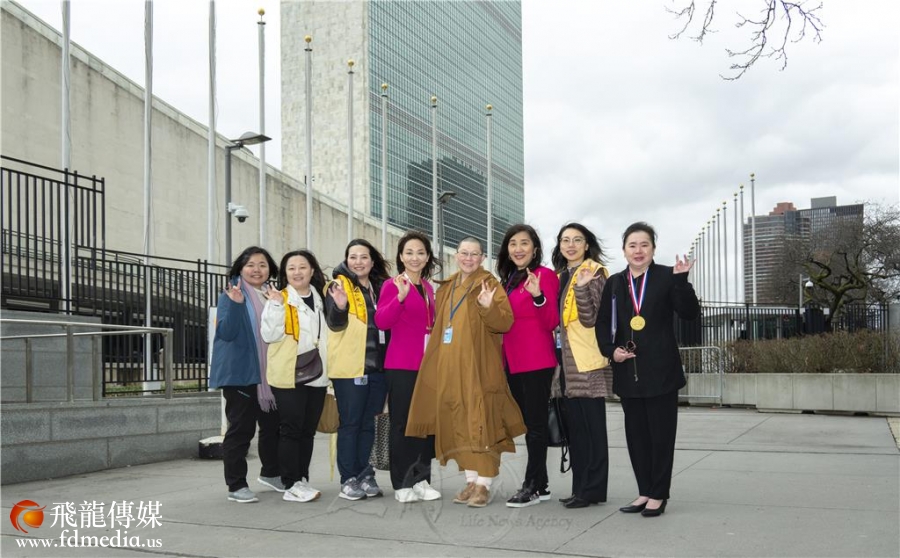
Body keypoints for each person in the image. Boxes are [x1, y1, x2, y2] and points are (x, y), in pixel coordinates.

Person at [406, 237, 525, 508]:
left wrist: (488, 306)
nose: (468, 258)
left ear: (482, 258)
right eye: (464, 253)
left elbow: (504, 323)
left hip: (478, 368)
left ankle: (484, 483)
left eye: (474, 254)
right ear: (456, 255)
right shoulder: (447, 287)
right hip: (450, 367)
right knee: (459, 423)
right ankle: (471, 480)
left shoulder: (489, 284)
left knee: (482, 423)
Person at [596, 222, 699, 517]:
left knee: (661, 436)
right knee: (636, 437)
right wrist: (610, 351)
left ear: (653, 248)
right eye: (632, 245)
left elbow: (690, 313)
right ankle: (644, 491)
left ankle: (659, 494)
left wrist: (682, 282)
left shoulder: (667, 276)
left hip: (661, 372)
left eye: (644, 245)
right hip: (628, 372)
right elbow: (602, 323)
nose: (638, 250)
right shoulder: (615, 283)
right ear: (624, 250)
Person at [209, 246, 283, 503]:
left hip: (267, 375)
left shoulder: (271, 295)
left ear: (270, 270)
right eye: (250, 264)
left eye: (262, 265)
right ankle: (236, 484)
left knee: (273, 427)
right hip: (240, 374)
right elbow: (226, 332)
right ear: (240, 268)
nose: (256, 270)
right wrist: (236, 304)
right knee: (241, 430)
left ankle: (272, 473)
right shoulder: (232, 294)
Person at [374, 231, 441, 503]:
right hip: (401, 365)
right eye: (409, 252)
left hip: (427, 366)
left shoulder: (428, 288)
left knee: (424, 424)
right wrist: (399, 298)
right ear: (401, 256)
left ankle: (421, 479)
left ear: (427, 257)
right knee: (402, 424)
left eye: (420, 252)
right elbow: (381, 321)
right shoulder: (392, 285)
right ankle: (402, 483)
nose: (415, 257)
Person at [496, 224, 560, 508]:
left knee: (535, 425)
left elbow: (551, 321)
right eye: (513, 244)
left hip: (535, 360)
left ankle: (531, 486)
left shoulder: (544, 275)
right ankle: (541, 484)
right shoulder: (508, 280)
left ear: (535, 249)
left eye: (524, 243)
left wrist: (538, 296)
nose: (518, 249)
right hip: (512, 362)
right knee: (530, 425)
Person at [551, 223, 613, 509]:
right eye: (565, 240)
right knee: (576, 432)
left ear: (587, 244)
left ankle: (592, 490)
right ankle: (580, 488)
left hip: (586, 362)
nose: (571, 245)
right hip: (565, 364)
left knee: (593, 430)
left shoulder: (595, 273)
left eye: (577, 240)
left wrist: (583, 288)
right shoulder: (560, 276)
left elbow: (592, 319)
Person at [324, 239, 391, 501]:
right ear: (346, 260)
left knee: (368, 425)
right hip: (350, 368)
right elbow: (334, 323)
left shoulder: (379, 288)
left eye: (364, 257)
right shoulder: (338, 286)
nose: (358, 262)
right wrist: (340, 306)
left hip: (377, 369)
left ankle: (365, 473)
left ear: (372, 262)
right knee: (351, 424)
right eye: (353, 257)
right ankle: (348, 478)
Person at [261, 250, 329, 503]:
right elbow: (269, 335)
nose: (297, 272)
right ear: (285, 273)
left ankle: (302, 478)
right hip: (289, 373)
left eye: (302, 267)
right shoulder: (279, 299)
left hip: (318, 372)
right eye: (291, 268)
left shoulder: (322, 298)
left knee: (308, 431)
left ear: (312, 270)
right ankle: (290, 483)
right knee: (291, 429)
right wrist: (276, 305)